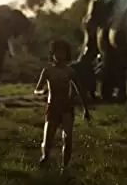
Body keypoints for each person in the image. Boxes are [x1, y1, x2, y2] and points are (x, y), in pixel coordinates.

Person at [33, 39, 92, 169]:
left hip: (66, 108)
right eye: (57, 52)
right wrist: (42, 92)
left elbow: (80, 91)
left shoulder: (70, 72)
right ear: (52, 54)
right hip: (52, 107)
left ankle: (64, 167)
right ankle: (45, 157)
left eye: (63, 52)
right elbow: (37, 89)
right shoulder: (47, 71)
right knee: (48, 139)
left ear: (67, 54)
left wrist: (85, 109)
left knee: (68, 139)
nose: (60, 55)